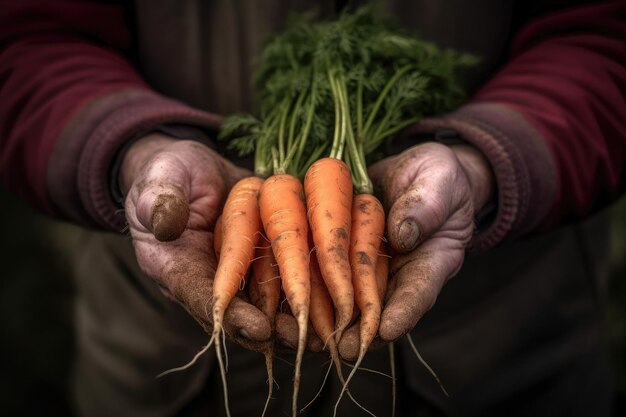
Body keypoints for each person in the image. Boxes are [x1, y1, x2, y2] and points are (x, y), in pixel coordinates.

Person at [1, 1, 624, 416]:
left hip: (507, 358)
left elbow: (604, 41)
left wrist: (484, 163)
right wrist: (135, 150)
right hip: (161, 368)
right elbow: (28, 41)